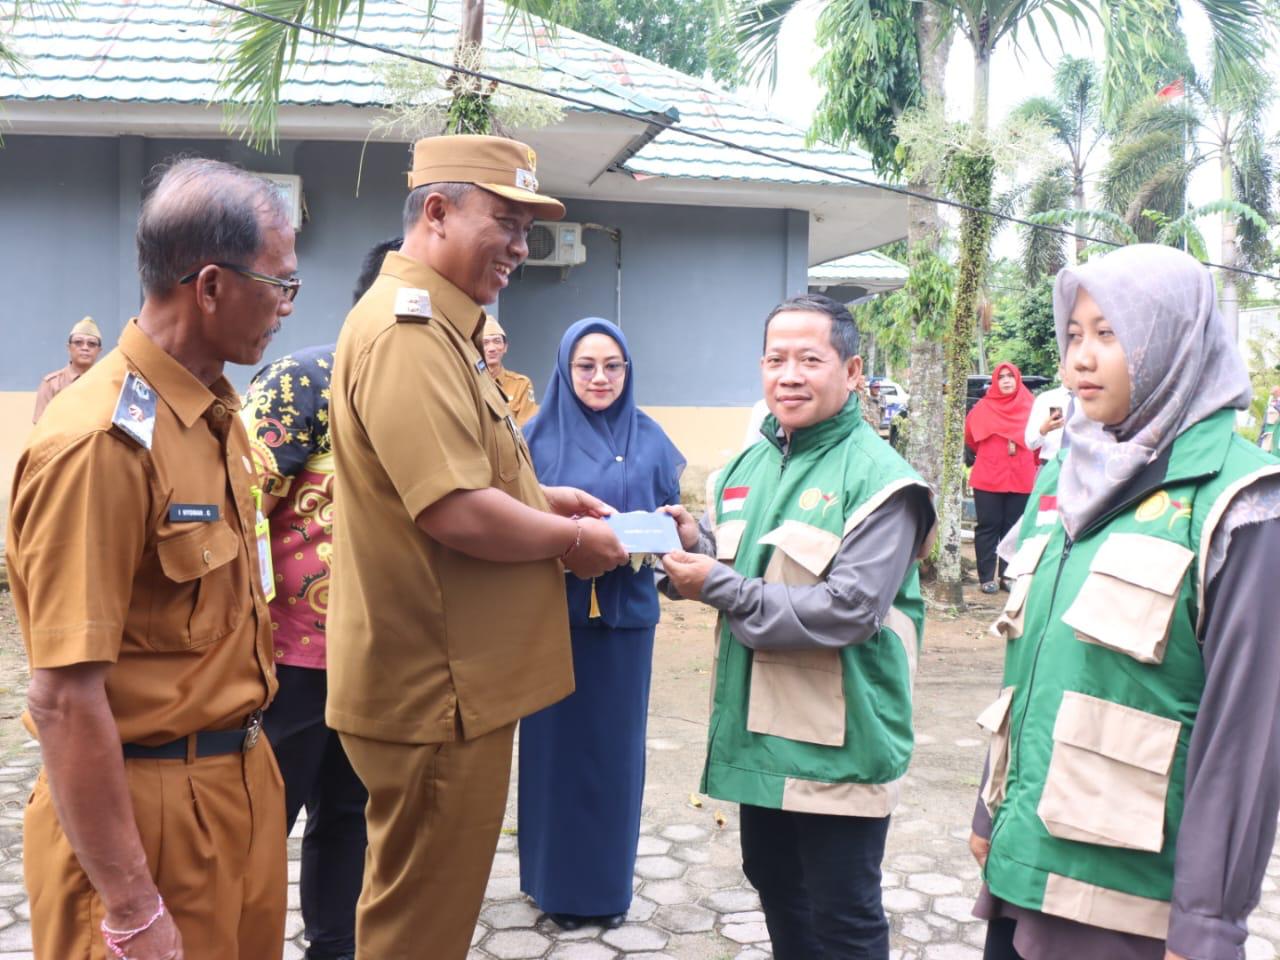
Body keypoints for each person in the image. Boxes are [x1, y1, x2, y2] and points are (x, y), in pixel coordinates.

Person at [325, 134, 628, 960]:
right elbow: (454, 510)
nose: (521, 248)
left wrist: (541, 499)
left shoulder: (443, 328)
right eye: (506, 223)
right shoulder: (408, 333)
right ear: (436, 211)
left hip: (450, 684)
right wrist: (573, 539)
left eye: (528, 230)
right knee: (419, 930)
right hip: (437, 689)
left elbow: (459, 477)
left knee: (425, 912)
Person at [7, 157, 295, 960]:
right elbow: (65, 700)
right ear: (211, 287)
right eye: (279, 284)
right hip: (143, 811)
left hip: (238, 784)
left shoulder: (213, 414)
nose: (286, 306)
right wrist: (132, 905)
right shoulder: (98, 444)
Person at [969, 244, 1280, 960]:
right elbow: (1032, 666)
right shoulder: (1066, 479)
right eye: (1074, 334)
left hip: (1132, 909)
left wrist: (1206, 925)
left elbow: (1246, 736)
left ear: (1172, 341)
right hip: (1023, 869)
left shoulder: (1240, 503)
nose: (1080, 359)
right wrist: (987, 810)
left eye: (1109, 334)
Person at [661, 293, 936, 960]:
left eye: (809, 360)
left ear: (852, 371)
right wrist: (693, 548)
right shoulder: (744, 467)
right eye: (775, 359)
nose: (789, 376)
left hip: (839, 742)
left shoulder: (882, 481)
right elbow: (741, 565)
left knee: (842, 915)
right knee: (778, 887)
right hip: (760, 734)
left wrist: (716, 584)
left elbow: (850, 609)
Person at [240, 244, 398, 960]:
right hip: (290, 660)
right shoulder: (302, 379)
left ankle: (334, 948)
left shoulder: (429, 398)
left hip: (379, 660)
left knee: (350, 816)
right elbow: (239, 512)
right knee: (260, 821)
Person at [519, 318, 685, 931]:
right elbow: (511, 523)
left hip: (624, 624)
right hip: (550, 622)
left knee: (614, 757)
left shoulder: (652, 438)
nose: (600, 378)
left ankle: (605, 891)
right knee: (553, 756)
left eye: (613, 366)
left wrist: (676, 530)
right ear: (565, 370)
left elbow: (675, 523)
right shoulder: (531, 440)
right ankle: (550, 884)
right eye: (586, 366)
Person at [965, 362, 1037, 593]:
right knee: (988, 526)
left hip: (1022, 475)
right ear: (995, 382)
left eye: (1010, 376)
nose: (1006, 380)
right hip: (989, 474)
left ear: (1018, 379)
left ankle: (1008, 576)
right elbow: (971, 437)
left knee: (1014, 528)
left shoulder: (1032, 406)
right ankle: (986, 578)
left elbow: (1040, 439)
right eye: (1001, 377)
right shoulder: (983, 407)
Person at [32, 315, 104, 422]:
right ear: (69, 348)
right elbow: (40, 426)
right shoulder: (52, 384)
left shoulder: (106, 383)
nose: (85, 348)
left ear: (99, 351)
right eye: (78, 342)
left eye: (92, 344)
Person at [483, 314, 539, 425]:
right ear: (476, 348)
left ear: (505, 347)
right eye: (485, 343)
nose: (492, 348)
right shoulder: (470, 383)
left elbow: (527, 427)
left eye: (497, 341)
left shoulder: (521, 385)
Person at [1024, 367, 1072, 466]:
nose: (1070, 372)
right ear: (1060, 369)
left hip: (1086, 468)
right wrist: (1043, 430)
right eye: (1066, 367)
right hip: (1051, 465)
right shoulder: (1045, 399)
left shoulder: (1094, 399)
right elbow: (1031, 444)